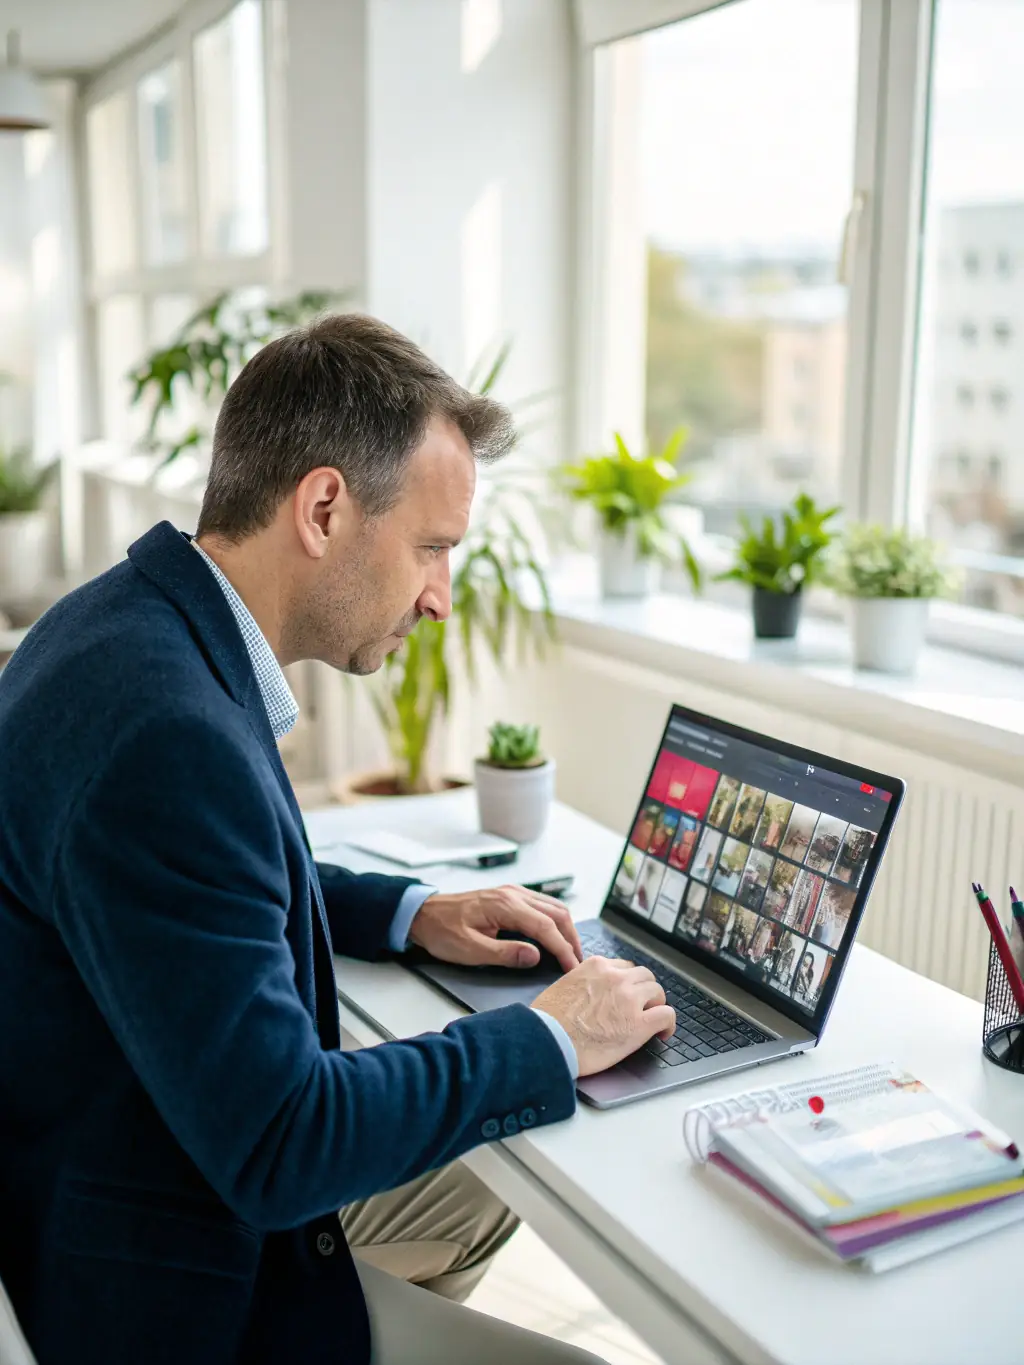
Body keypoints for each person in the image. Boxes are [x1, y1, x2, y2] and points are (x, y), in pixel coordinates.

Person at [0, 314, 677, 1365]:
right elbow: (284, 1143)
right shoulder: (168, 733)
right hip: (172, 1289)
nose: (441, 599)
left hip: (120, 1172)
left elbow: (196, 882)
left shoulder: (121, 626)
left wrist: (412, 911)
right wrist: (554, 1034)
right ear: (322, 507)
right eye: (433, 548)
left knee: (480, 1177)